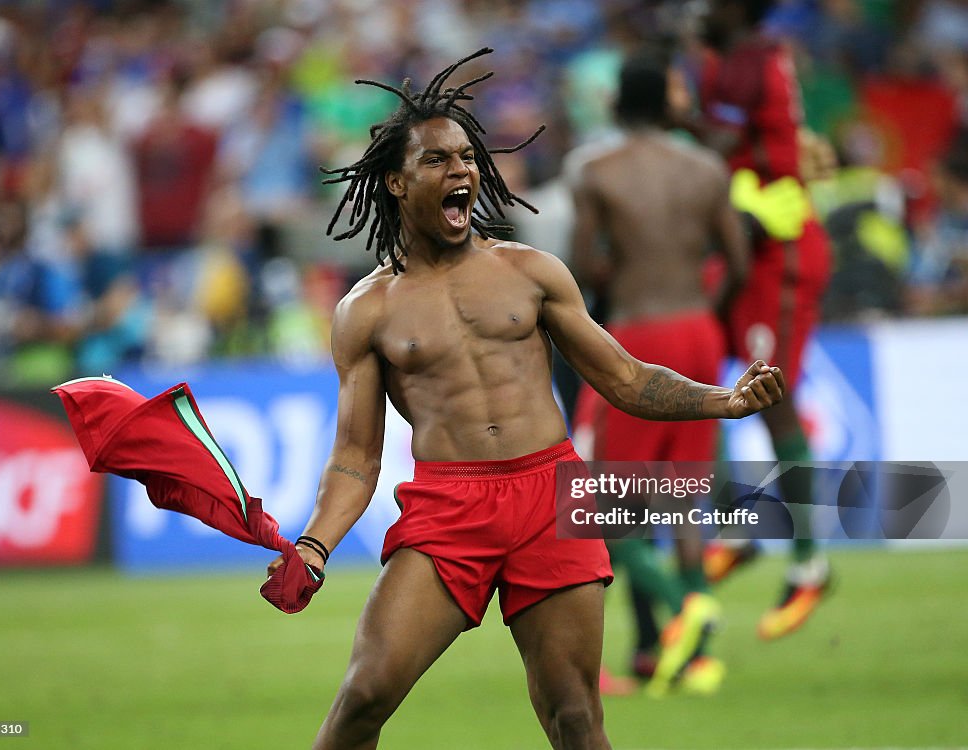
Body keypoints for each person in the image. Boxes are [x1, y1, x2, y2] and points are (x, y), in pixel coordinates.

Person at [265, 49, 786, 749]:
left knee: (574, 715)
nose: (461, 171)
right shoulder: (366, 310)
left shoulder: (532, 273)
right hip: (450, 509)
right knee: (364, 694)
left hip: (549, 497)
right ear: (394, 182)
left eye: (465, 157)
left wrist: (722, 401)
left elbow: (625, 378)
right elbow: (356, 457)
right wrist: (315, 546)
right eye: (437, 161)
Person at [568, 56, 750, 697]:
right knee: (683, 496)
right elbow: (737, 259)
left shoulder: (597, 173)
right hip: (700, 328)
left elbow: (582, 265)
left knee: (607, 505)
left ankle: (681, 604)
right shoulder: (706, 169)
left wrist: (621, 280)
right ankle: (693, 658)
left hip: (637, 333)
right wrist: (706, 309)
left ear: (618, 107)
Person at [675, 0, 833, 639]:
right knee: (692, 372)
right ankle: (739, 525)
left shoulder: (752, 63)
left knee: (773, 398)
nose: (696, 13)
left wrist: (659, 122)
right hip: (739, 241)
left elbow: (713, 142)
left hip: (778, 243)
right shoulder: (727, 61)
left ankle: (810, 564)